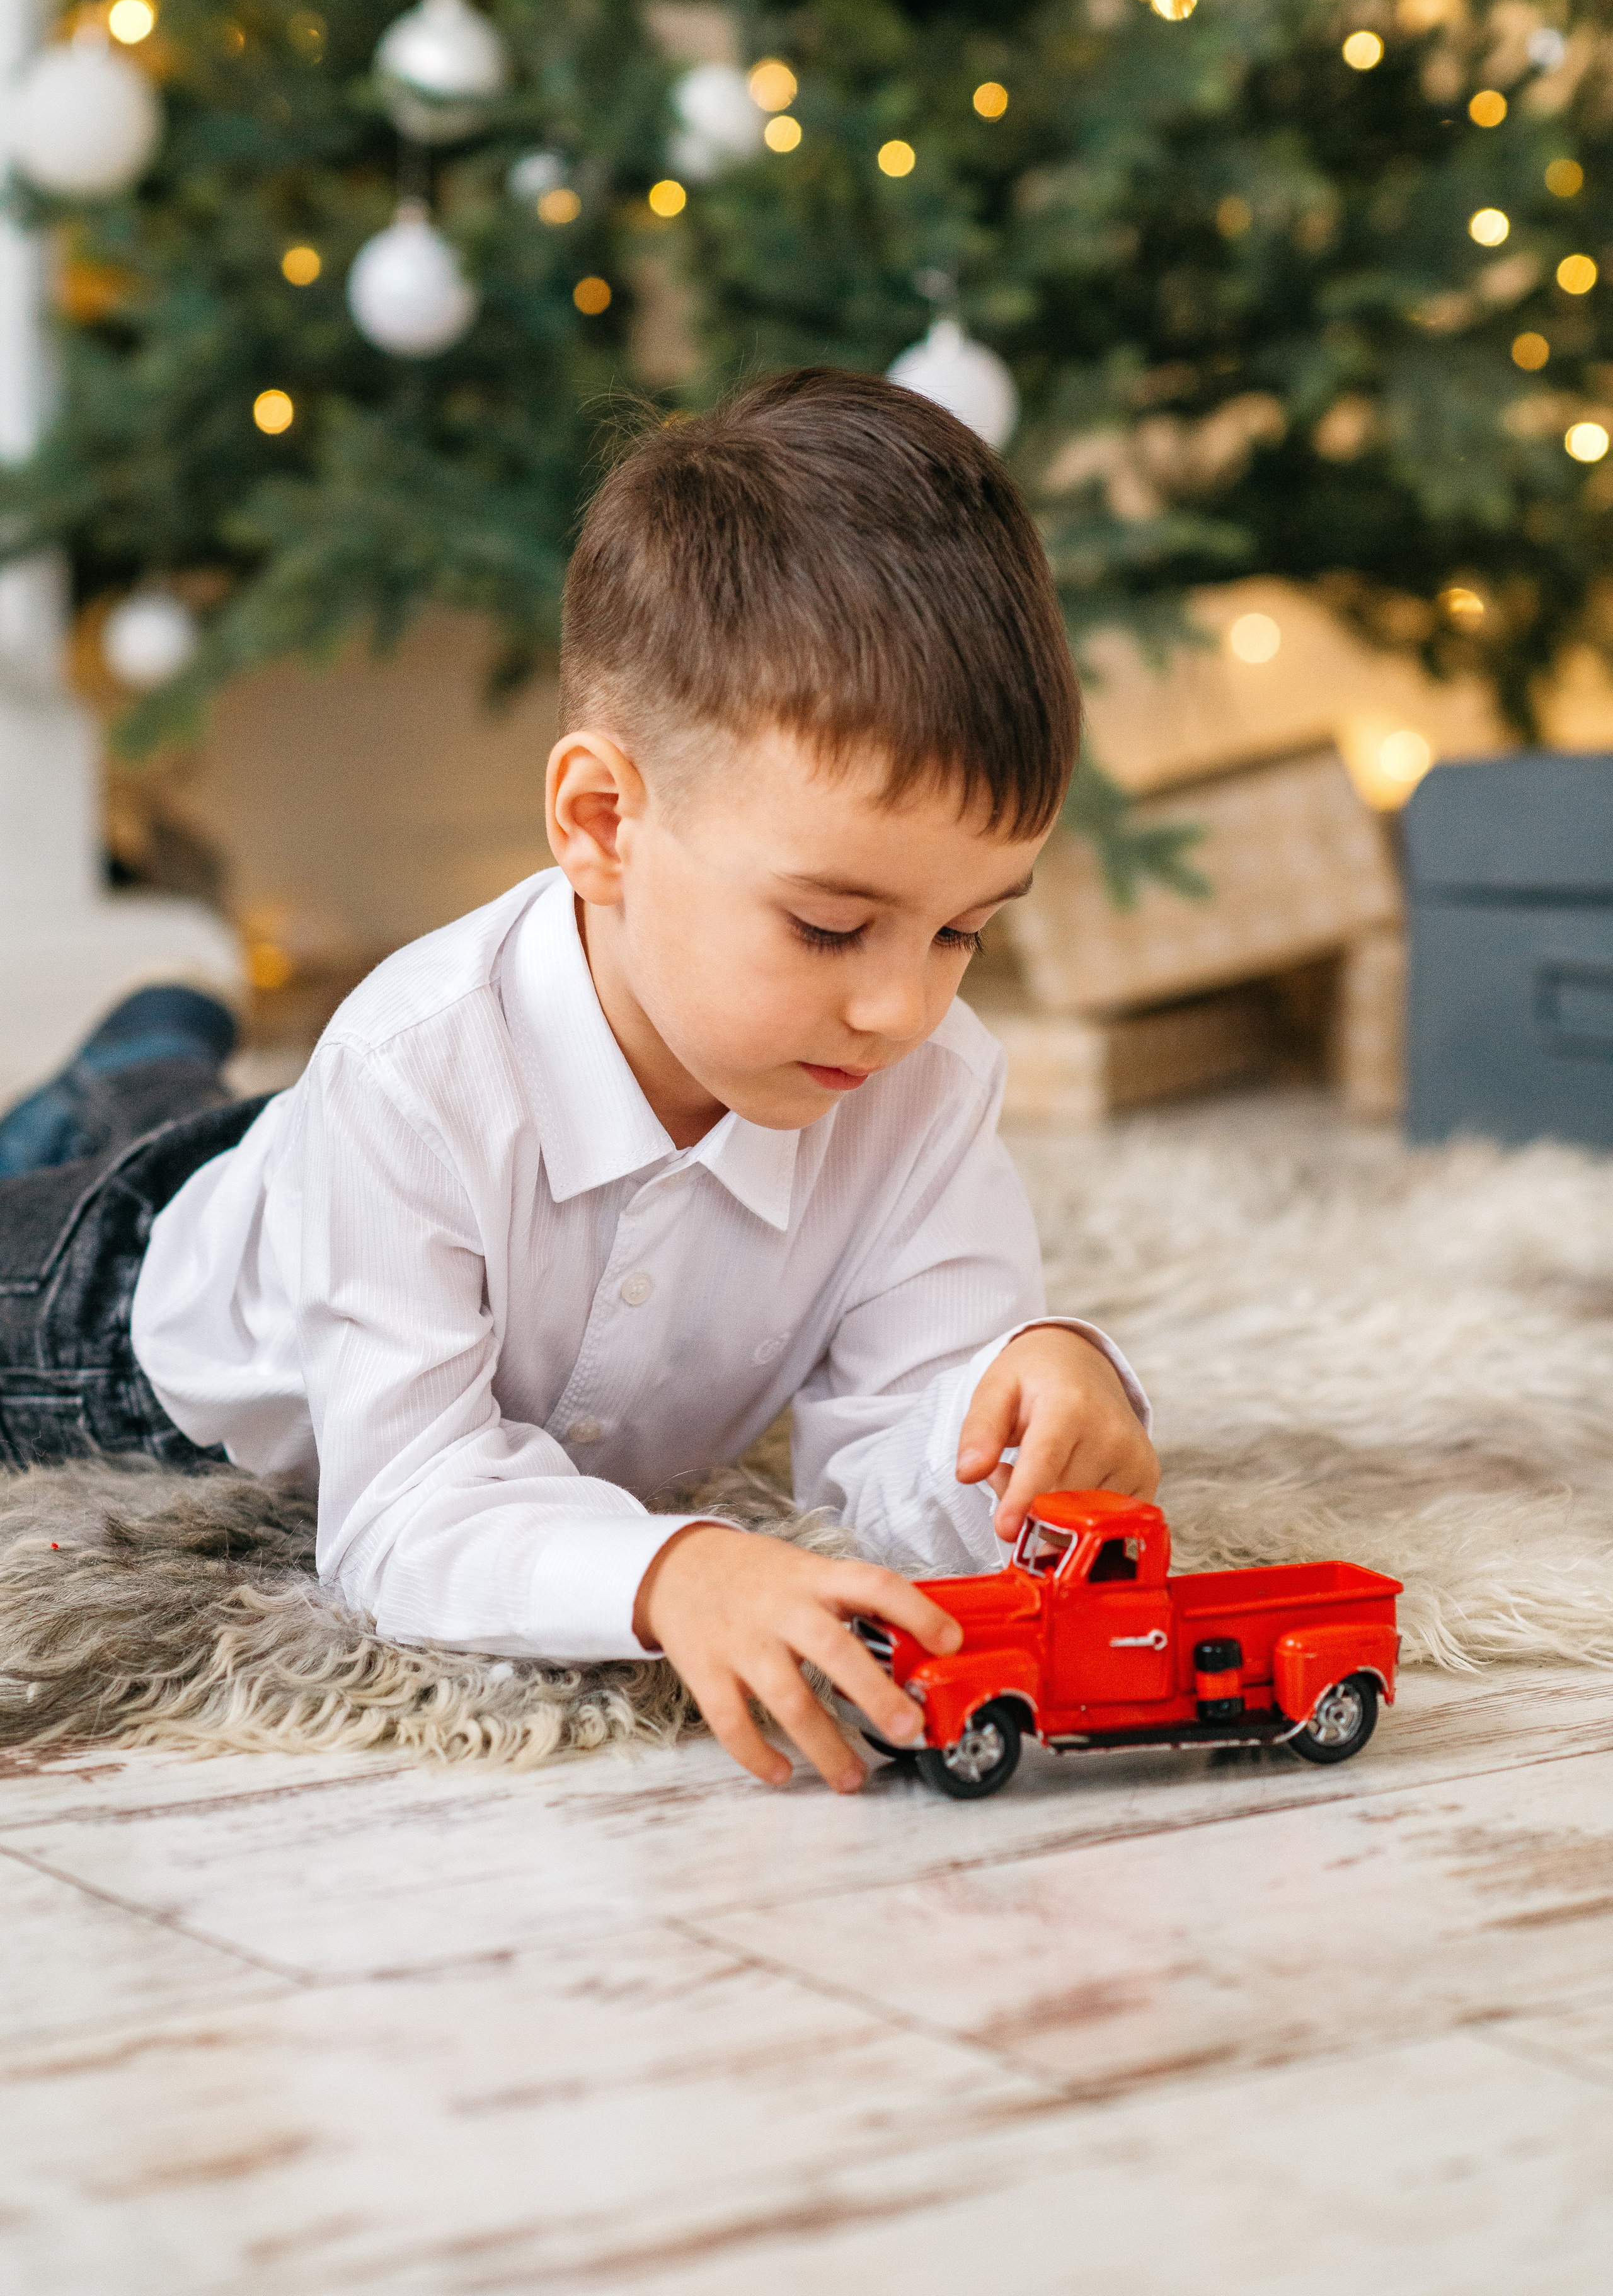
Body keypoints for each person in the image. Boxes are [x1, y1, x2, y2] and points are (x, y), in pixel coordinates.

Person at [0, 369, 1158, 1794]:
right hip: (112, 1301)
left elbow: (893, 1457)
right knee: (99, 1161)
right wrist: (669, 1570)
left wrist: (1022, 1404)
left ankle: (150, 1050)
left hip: (306, 1170)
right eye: (827, 925)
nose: (899, 1005)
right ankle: (119, 1079)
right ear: (601, 821)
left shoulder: (921, 1088)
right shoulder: (411, 1069)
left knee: (171, 1100)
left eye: (965, 930)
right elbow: (403, 1510)